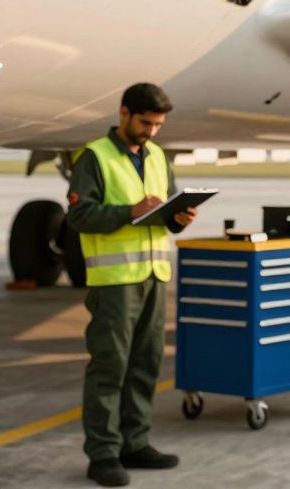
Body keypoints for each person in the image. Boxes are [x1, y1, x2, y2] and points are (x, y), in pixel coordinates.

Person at [67, 83, 197, 487]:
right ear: (124, 113)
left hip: (154, 276)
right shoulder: (94, 157)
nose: (152, 131)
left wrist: (179, 217)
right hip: (115, 281)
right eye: (145, 122)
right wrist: (129, 211)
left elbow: (165, 207)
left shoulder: (158, 154)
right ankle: (103, 454)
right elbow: (80, 216)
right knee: (110, 366)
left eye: (158, 125)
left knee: (146, 364)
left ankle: (135, 443)